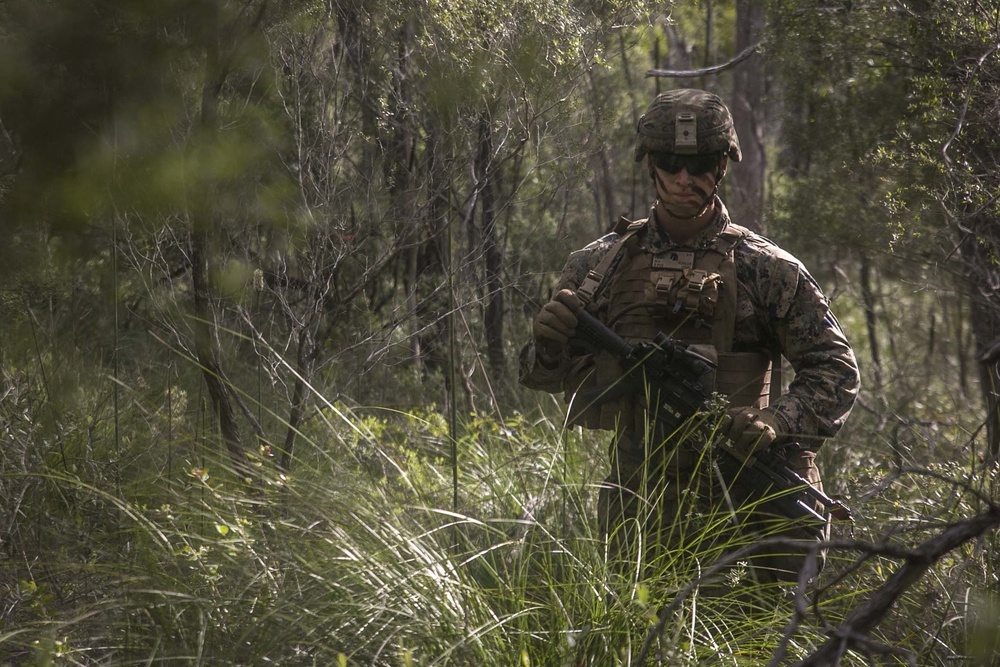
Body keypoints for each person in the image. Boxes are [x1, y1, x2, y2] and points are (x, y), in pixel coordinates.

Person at [519, 89, 860, 587]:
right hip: (644, 494)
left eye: (699, 163)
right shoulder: (598, 265)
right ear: (650, 163)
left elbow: (835, 368)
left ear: (722, 165)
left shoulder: (766, 268)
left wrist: (775, 419)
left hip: (748, 487)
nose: (684, 178)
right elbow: (543, 374)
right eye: (670, 162)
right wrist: (548, 346)